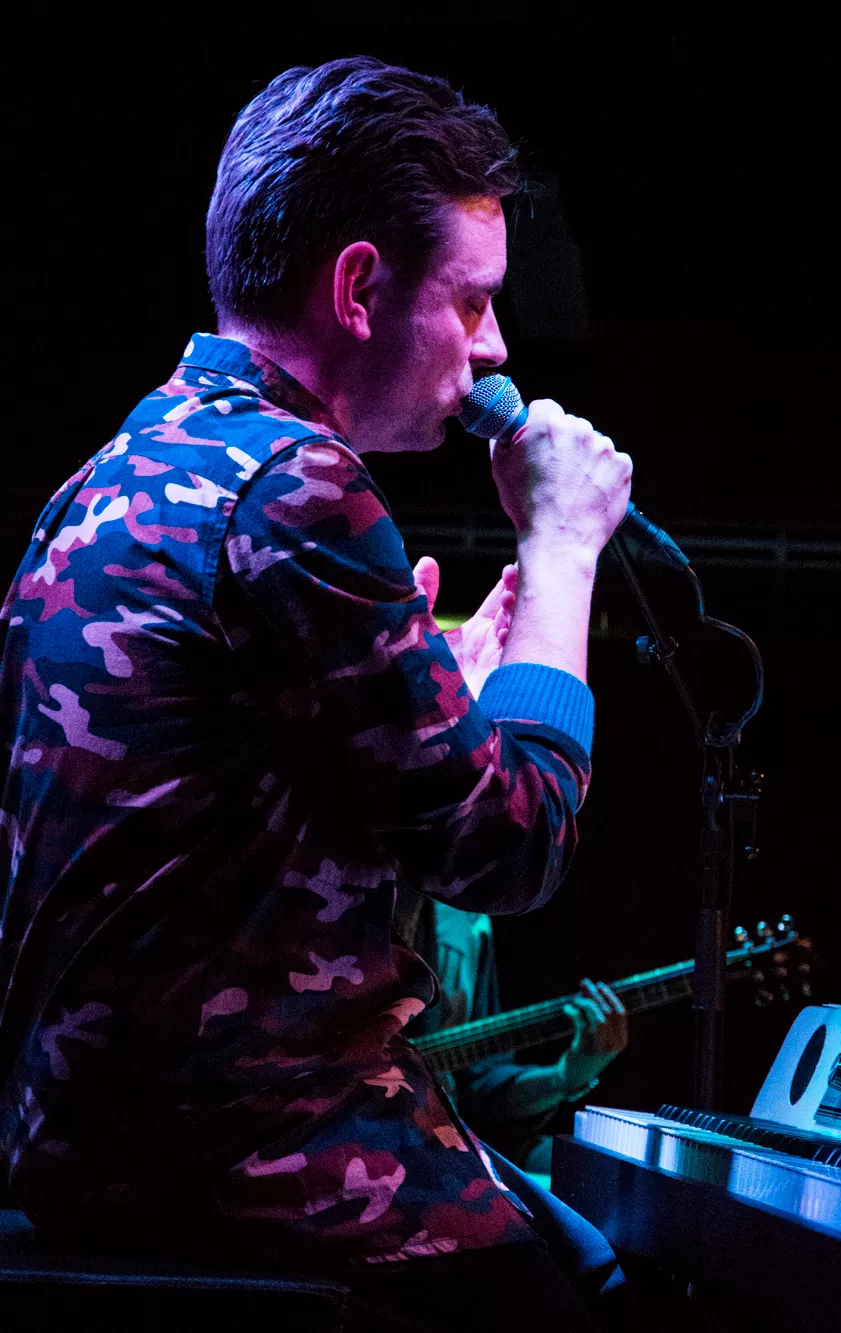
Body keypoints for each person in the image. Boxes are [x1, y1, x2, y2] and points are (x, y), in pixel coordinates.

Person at [0, 57, 633, 1330]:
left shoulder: (111, 475)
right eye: (471, 302)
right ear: (357, 288)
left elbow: (224, 822)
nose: (495, 348)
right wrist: (562, 550)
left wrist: (451, 699)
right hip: (253, 1157)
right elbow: (515, 848)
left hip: (75, 1143)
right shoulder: (298, 485)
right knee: (594, 1289)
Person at [395, 887, 629, 1175]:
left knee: (597, 1170)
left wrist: (565, 1076)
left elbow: (480, 1083)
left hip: (445, 1135)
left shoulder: (467, 919)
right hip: (377, 1134)